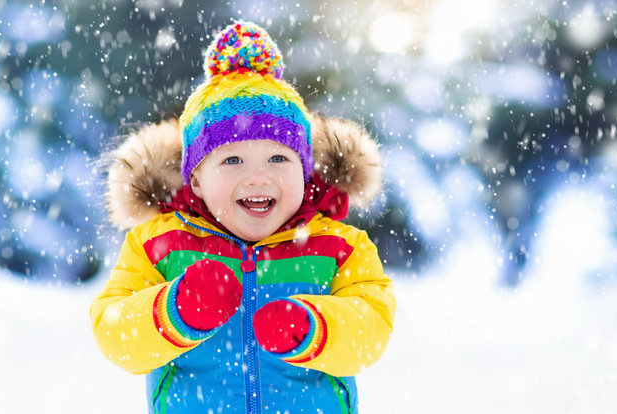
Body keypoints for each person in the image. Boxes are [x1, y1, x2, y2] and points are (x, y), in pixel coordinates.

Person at [90, 21, 395, 414]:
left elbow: (371, 329)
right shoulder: (157, 246)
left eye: (278, 158)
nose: (257, 177)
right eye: (232, 160)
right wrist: (175, 313)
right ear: (195, 181)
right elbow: (113, 331)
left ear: (304, 173)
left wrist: (314, 329)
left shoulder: (339, 248)